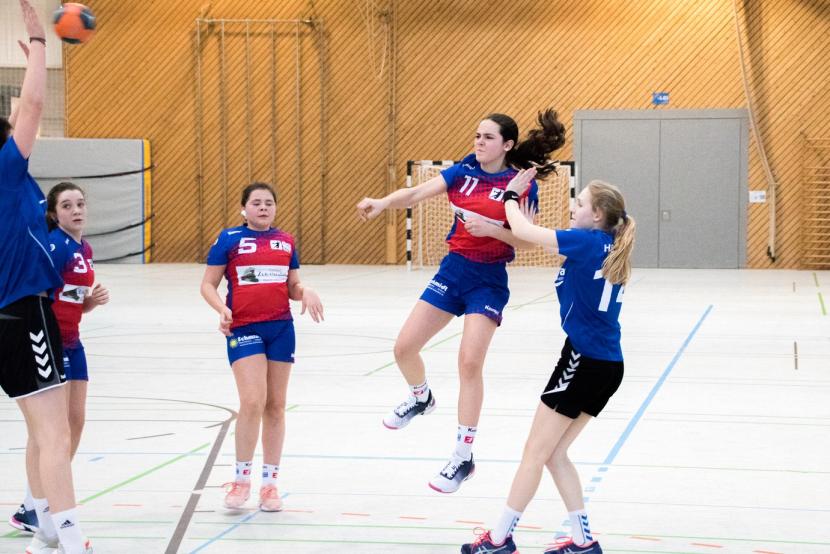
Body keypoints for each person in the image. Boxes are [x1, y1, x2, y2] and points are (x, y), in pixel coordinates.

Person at [356, 110, 565, 493]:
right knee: (403, 348)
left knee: (469, 363)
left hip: (488, 281)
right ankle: (420, 397)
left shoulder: (519, 185)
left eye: (488, 137)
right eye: (477, 135)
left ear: (507, 145)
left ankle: (463, 457)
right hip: (453, 272)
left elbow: (527, 241)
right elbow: (415, 194)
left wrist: (491, 231)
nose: (479, 142)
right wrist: (383, 202)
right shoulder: (463, 171)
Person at [460, 171, 636, 554]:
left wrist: (509, 196)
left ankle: (499, 539)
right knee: (555, 455)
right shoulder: (601, 245)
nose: (573, 207)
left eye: (580, 203)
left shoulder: (587, 242)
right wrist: (511, 229)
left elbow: (525, 230)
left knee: (535, 453)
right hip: (607, 365)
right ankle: (583, 541)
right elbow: (531, 237)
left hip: (583, 361)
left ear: (598, 214)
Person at [0, 2, 92, 553]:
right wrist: (39, 44)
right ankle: (72, 539)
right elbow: (33, 104)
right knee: (55, 435)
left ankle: (48, 529)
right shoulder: (7, 168)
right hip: (22, 313)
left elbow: (22, 109)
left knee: (41, 432)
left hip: (8, 316)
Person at [200, 182, 324, 511]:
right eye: (256, 203)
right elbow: (208, 284)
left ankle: (270, 485)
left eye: (269, 202)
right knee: (252, 401)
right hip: (244, 327)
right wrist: (221, 309)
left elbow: (292, 286)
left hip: (281, 328)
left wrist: (305, 291)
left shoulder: (286, 241)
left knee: (276, 406)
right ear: (244, 209)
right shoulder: (229, 239)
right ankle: (241, 481)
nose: (264, 207)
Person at [9, 183, 109, 536]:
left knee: (75, 422)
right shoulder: (53, 246)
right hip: (50, 343)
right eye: (67, 205)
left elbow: (71, 300)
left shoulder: (84, 248)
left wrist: (90, 302)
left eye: (80, 203)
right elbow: (38, 296)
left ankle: (42, 499)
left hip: (73, 342)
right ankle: (34, 507)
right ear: (53, 213)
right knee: (47, 429)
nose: (76, 210)